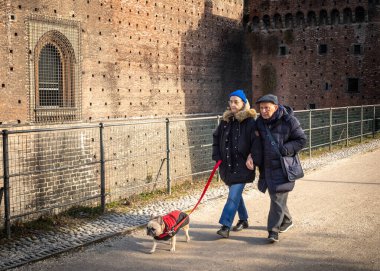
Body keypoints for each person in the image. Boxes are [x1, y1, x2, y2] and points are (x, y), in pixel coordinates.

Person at [246, 94, 306, 243]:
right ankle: (287, 220)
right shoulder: (259, 123)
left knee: (277, 197)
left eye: (267, 108)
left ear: (276, 107)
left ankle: (273, 231)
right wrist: (251, 155)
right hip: (266, 167)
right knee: (276, 196)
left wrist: (285, 150)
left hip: (283, 167)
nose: (264, 111)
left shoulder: (289, 121)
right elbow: (254, 141)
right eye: (261, 108)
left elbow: (301, 140)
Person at [212, 89, 262, 238]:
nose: (233, 104)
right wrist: (217, 157)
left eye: (236, 102)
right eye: (231, 101)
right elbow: (216, 138)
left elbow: (256, 142)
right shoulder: (225, 121)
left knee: (233, 195)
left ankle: (225, 225)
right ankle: (244, 219)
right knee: (236, 195)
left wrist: (252, 156)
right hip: (226, 165)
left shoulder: (250, 122)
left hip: (243, 167)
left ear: (243, 103)